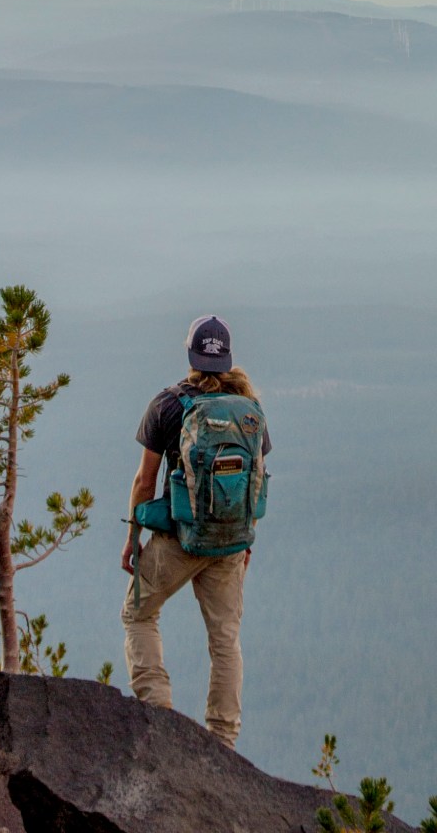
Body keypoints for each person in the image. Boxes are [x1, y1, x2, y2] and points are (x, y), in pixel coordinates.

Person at [120, 314, 271, 748]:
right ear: (227, 358)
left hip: (178, 540)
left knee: (138, 614)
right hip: (230, 544)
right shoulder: (249, 412)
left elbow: (144, 482)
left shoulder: (168, 404)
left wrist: (133, 538)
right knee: (225, 641)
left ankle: (159, 716)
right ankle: (223, 741)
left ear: (190, 355)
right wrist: (246, 538)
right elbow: (257, 478)